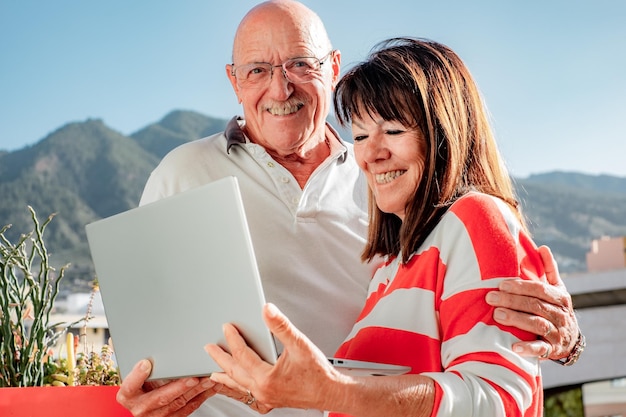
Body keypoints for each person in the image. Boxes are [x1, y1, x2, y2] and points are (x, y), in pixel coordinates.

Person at [116, 2, 582, 416]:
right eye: (257, 70)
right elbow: (147, 341)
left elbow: (495, 387)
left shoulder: (406, 202)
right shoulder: (391, 251)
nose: (280, 89)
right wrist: (146, 386)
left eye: (299, 64)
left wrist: (563, 342)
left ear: (333, 65)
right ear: (233, 80)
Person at [205, 36, 553, 416]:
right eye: (359, 136)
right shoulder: (389, 268)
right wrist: (276, 393)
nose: (371, 154)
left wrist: (333, 391)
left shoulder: (475, 218)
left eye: (393, 131)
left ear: (443, 130)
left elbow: (496, 402)